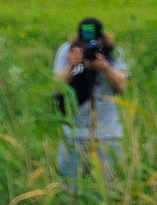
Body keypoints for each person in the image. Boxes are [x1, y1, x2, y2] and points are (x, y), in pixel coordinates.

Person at [53, 15, 131, 185]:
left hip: (107, 134)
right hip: (74, 134)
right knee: (69, 186)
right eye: (85, 45)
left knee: (109, 187)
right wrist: (72, 66)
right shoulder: (67, 51)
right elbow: (56, 87)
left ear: (103, 39)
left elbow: (122, 87)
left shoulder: (113, 52)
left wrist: (105, 68)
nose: (89, 49)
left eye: (94, 44)